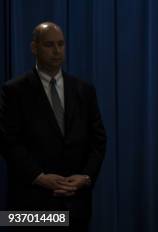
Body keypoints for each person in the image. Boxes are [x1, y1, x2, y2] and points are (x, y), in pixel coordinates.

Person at [0, 22, 107, 231]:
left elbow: (99, 140)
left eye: (61, 44)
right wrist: (38, 177)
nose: (57, 51)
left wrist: (85, 177)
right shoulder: (13, 90)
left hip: (76, 203)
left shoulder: (84, 90)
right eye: (49, 45)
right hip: (31, 204)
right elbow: (8, 141)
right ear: (34, 48)